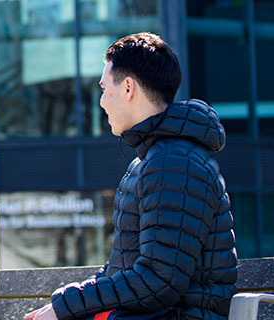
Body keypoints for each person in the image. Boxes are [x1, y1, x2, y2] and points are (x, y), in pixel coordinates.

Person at [25, 32, 238, 320]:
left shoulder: (174, 162)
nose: (101, 102)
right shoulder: (155, 159)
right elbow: (124, 269)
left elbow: (159, 280)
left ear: (127, 88)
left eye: (103, 89)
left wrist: (67, 307)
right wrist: (66, 305)